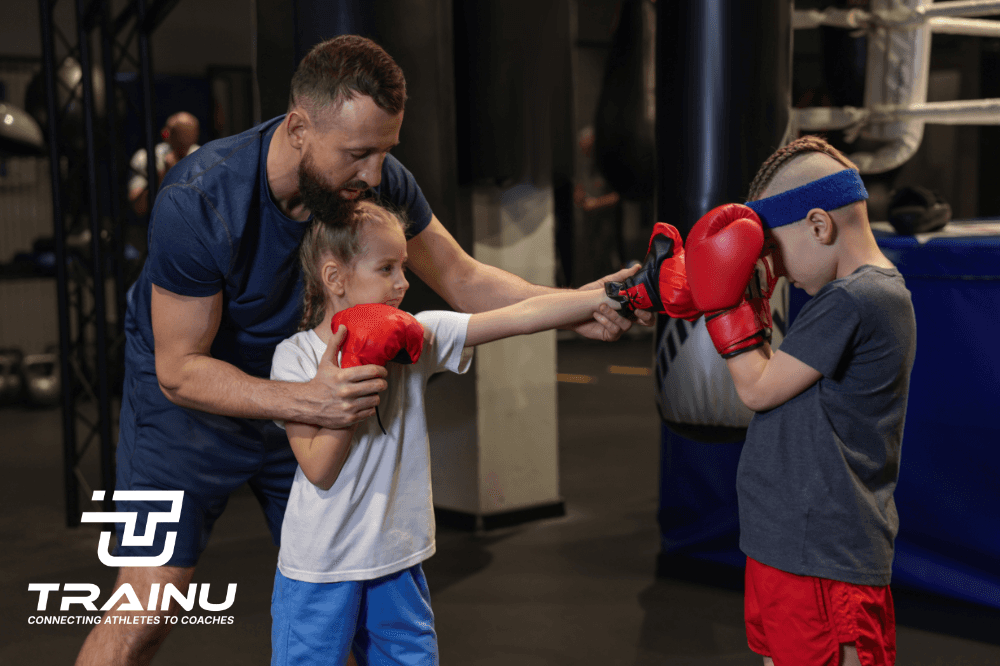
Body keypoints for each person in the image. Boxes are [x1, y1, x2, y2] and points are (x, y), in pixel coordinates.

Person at [75, 35, 650, 666]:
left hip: (315, 400)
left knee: (345, 611)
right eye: (357, 152)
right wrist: (309, 398)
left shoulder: (375, 186)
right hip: (187, 412)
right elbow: (178, 370)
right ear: (298, 128)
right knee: (145, 611)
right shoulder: (199, 200)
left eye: (385, 151)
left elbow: (462, 279)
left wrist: (578, 305)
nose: (376, 175)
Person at [269, 199, 642, 664]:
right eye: (386, 268)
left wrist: (609, 295)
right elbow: (319, 469)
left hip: (397, 561)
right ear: (334, 278)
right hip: (320, 568)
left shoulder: (417, 336)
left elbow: (520, 317)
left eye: (403, 267)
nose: (402, 283)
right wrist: (355, 372)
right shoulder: (296, 357)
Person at [684, 135, 916, 666]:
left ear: (819, 225)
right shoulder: (847, 298)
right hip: (787, 547)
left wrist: (724, 308)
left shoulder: (860, 297)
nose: (777, 268)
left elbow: (756, 388)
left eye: (774, 249)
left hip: (823, 556)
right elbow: (777, 386)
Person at [127, 111, 201, 215]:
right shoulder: (145, 158)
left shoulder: (205, 158)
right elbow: (139, 207)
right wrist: (163, 176)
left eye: (186, 133)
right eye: (177, 133)